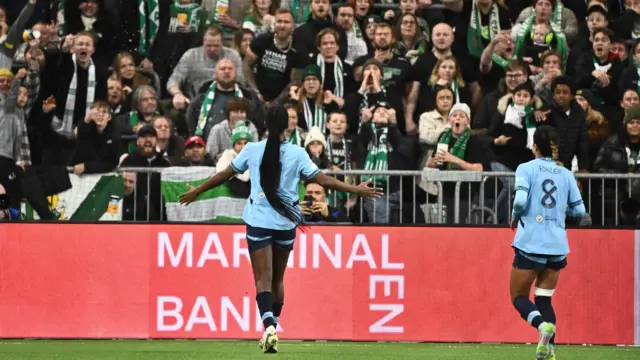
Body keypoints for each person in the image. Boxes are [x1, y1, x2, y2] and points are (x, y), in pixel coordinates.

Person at [178, 106, 382, 353]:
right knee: (278, 279)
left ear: (264, 123)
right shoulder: (297, 153)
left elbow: (224, 175)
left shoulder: (252, 150)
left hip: (259, 221)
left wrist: (197, 191)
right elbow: (322, 179)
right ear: (289, 126)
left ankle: (268, 328)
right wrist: (355, 189)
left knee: (262, 280)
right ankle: (274, 325)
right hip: (286, 223)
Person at [509, 125, 586, 360]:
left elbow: (521, 200)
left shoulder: (526, 168)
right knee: (543, 298)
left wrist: (514, 215)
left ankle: (542, 327)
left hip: (531, 244)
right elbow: (580, 210)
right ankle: (548, 352)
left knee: (518, 297)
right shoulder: (565, 174)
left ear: (534, 147)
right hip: (557, 247)